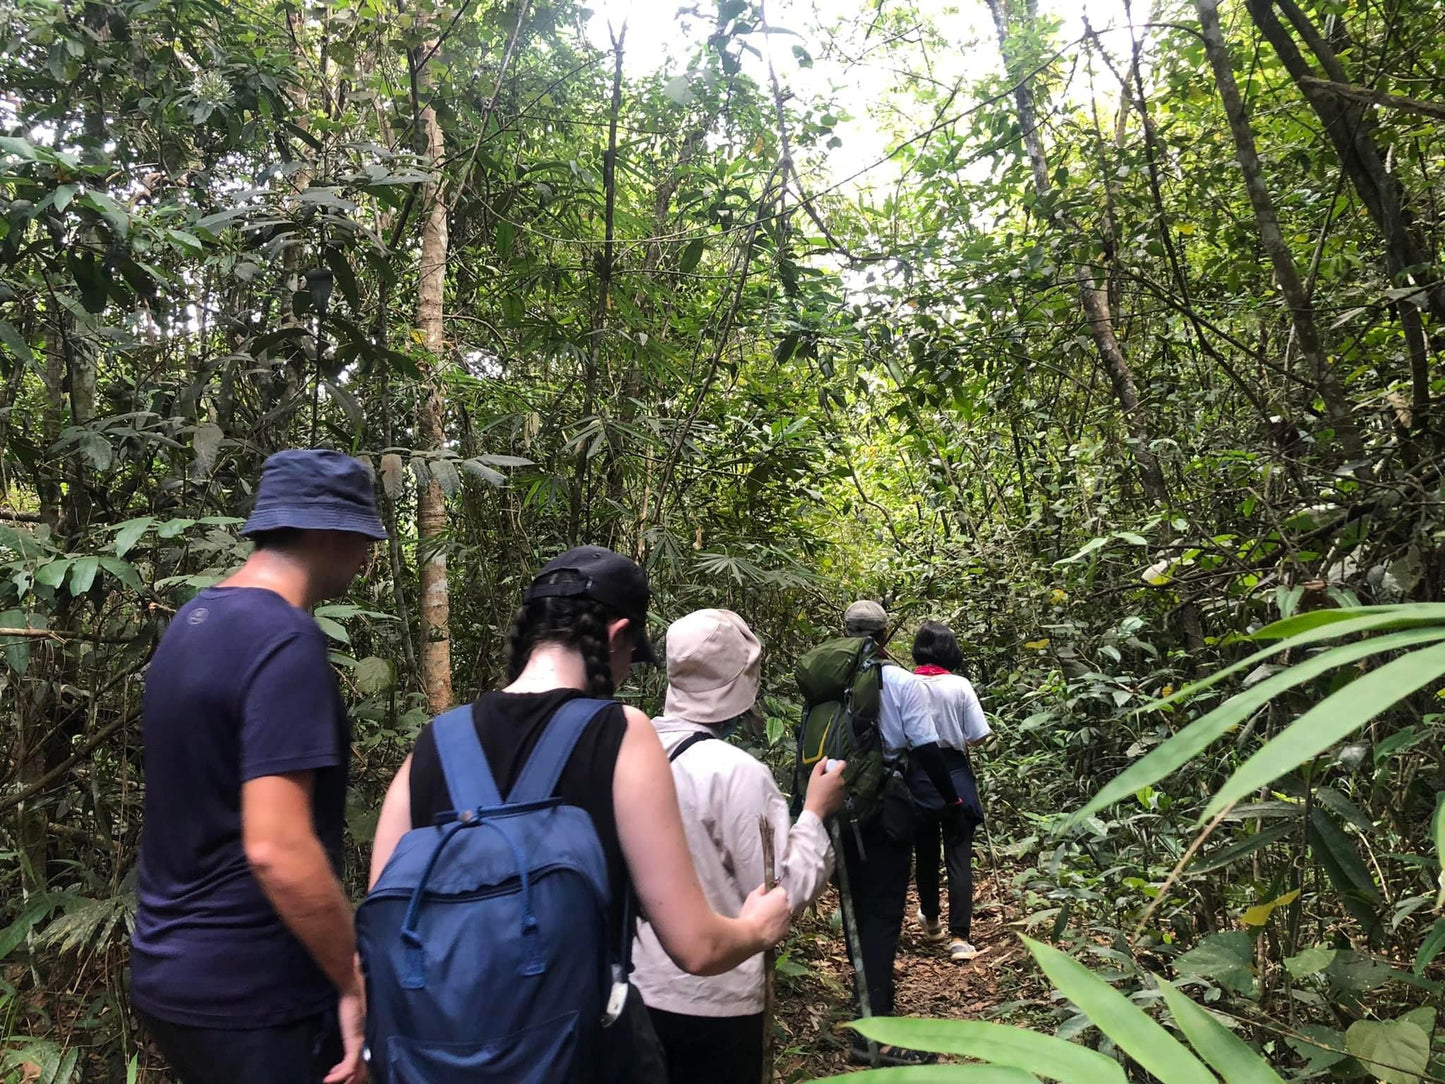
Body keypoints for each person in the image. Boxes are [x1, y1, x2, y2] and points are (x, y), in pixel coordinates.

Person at [368, 547, 793, 1080]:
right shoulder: (622, 732)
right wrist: (757, 926)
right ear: (617, 635)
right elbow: (697, 947)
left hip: (433, 1058)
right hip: (576, 1058)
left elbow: (383, 918)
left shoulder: (433, 744)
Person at [131, 449, 387, 1084]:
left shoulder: (195, 619)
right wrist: (351, 978)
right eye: (363, 537)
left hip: (170, 968)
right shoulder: (286, 640)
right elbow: (277, 846)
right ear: (330, 531)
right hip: (254, 992)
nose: (366, 557)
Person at [632, 609, 844, 1084]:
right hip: (714, 999)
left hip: (633, 991)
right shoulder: (737, 773)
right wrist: (815, 812)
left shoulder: (630, 750)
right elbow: (775, 894)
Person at [836, 600, 971, 1067]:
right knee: (883, 914)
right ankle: (875, 1033)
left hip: (833, 805)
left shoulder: (826, 680)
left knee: (853, 907)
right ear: (885, 636)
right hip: (885, 810)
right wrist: (950, 798)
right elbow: (927, 747)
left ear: (844, 630)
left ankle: (864, 1011)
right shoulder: (900, 682)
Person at [907, 621, 990, 962]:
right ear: (949, 651)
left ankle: (931, 922)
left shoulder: (904, 684)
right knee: (958, 854)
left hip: (918, 774)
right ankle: (960, 937)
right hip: (954, 771)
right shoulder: (959, 685)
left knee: (926, 852)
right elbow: (978, 734)